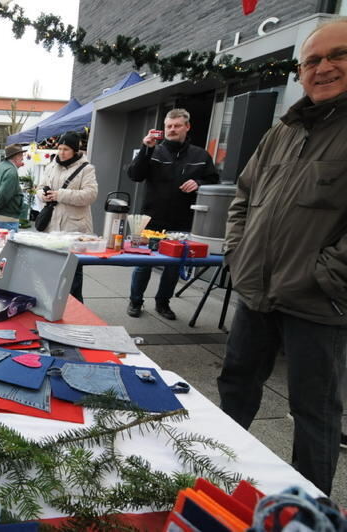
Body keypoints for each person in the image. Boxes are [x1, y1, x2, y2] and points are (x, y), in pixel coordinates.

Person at [217, 18, 347, 495]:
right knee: (235, 389)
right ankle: (217, 475)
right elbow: (243, 198)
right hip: (255, 292)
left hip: (317, 302)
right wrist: (238, 253)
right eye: (313, 60)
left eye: (339, 55)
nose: (324, 67)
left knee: (314, 412)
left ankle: (307, 509)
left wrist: (324, 276)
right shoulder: (282, 131)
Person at [126, 108, 218, 319]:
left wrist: (199, 182)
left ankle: (163, 303)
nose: (172, 129)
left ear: (187, 127)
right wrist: (145, 148)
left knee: (173, 266)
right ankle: (135, 301)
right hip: (150, 219)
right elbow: (135, 175)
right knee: (142, 264)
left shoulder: (200, 155)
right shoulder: (153, 151)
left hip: (182, 221)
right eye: (169, 126)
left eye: (177, 125)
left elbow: (214, 180)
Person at [36, 130, 98, 302]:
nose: (61, 153)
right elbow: (40, 187)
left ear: (75, 151)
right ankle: (53, 304)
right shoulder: (50, 166)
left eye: (66, 149)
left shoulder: (87, 169)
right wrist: (43, 194)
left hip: (74, 228)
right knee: (51, 269)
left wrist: (60, 195)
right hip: (52, 227)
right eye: (60, 148)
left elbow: (90, 195)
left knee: (73, 273)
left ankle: (76, 308)